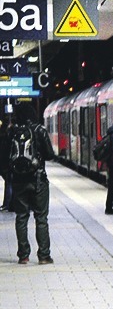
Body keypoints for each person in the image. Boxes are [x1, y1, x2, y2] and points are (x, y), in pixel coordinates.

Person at [6, 100, 55, 265]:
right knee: (41, 217)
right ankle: (43, 256)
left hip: (19, 181)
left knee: (21, 217)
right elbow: (49, 154)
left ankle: (23, 256)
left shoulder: (11, 132)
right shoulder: (39, 130)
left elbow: (7, 156)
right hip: (38, 180)